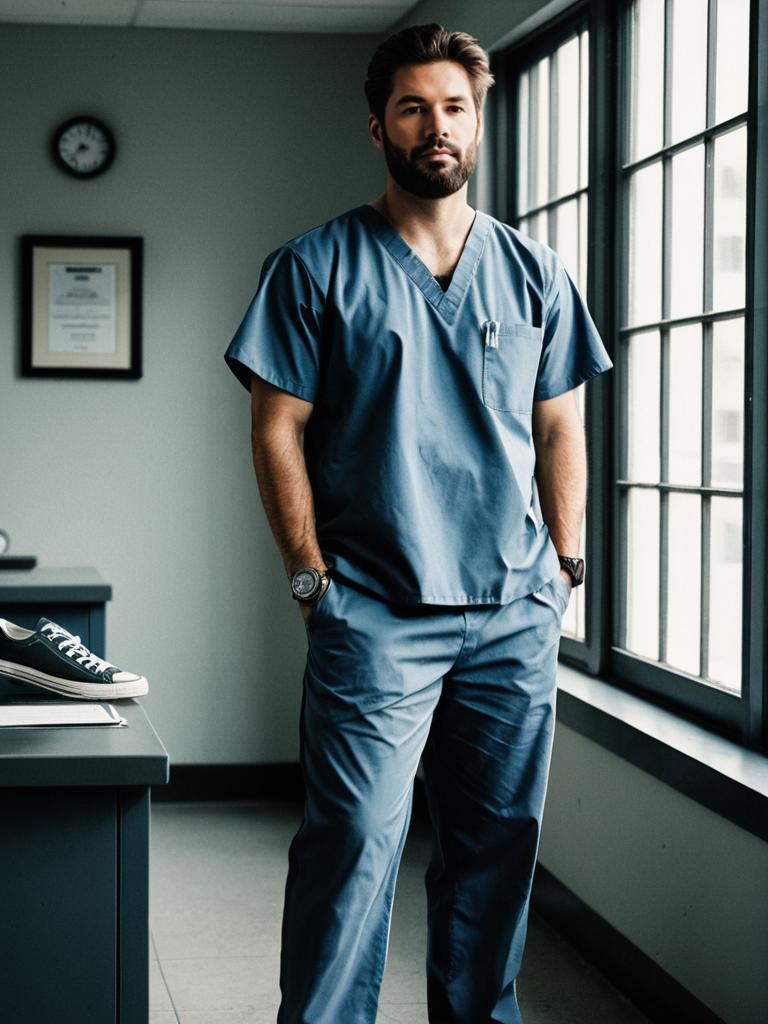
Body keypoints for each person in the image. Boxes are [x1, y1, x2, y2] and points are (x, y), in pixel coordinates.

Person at [224, 23, 613, 1024]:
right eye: (412, 108)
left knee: (496, 849)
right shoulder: (315, 267)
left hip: (512, 609)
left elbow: (560, 424)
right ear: (378, 127)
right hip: (374, 611)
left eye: (453, 108)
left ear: (477, 123)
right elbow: (276, 429)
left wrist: (565, 565)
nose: (435, 127)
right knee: (352, 844)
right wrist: (310, 578)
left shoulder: (536, 272)